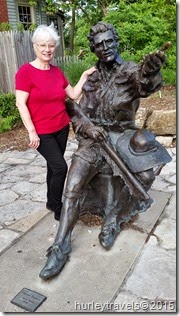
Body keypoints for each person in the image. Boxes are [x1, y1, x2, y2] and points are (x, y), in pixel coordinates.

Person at [39, 21, 171, 280]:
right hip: (94, 138)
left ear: (116, 41)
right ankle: (60, 247)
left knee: (144, 172)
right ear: (93, 49)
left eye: (109, 42)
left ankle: (114, 218)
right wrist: (89, 131)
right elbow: (78, 116)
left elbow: (145, 85)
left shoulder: (131, 70)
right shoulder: (91, 77)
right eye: (98, 45)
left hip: (122, 134)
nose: (105, 47)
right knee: (73, 185)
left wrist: (151, 72)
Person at [15, 23, 96, 221]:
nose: (47, 49)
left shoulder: (56, 72)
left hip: (61, 128)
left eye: (51, 45)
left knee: (54, 167)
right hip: (42, 132)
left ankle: (51, 201)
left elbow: (74, 95)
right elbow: (20, 103)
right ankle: (58, 206)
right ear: (34, 46)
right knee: (60, 168)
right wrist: (31, 131)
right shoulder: (25, 72)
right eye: (42, 45)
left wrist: (85, 75)